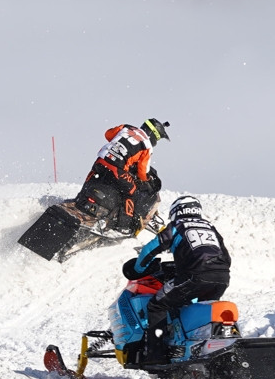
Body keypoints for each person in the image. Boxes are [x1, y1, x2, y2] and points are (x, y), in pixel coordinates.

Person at [121, 194, 233, 361]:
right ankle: (195, 349)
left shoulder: (177, 226)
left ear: (176, 211)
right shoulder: (210, 227)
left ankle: (155, 355)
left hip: (194, 277)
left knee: (157, 305)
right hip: (222, 278)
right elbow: (226, 256)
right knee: (196, 308)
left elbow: (149, 250)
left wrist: (138, 269)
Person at [75, 119, 169, 232]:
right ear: (154, 134)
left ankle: (79, 199)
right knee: (131, 191)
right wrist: (145, 180)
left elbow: (108, 134)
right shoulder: (147, 146)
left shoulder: (126, 128)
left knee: (94, 176)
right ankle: (123, 226)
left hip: (102, 160)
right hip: (118, 168)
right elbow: (142, 170)